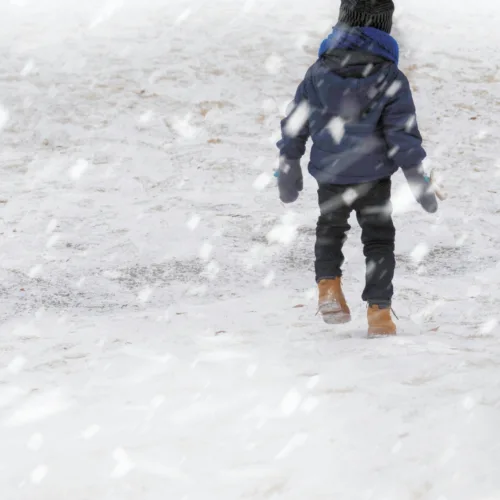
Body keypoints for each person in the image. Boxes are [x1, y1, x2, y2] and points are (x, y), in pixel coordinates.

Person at [276, 0, 438, 336]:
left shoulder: (318, 73)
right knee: (378, 240)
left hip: (330, 173)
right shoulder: (390, 77)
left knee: (329, 229)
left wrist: (288, 161)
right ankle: (379, 311)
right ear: (384, 28)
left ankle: (328, 288)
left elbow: (295, 123)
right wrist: (417, 179)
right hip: (373, 176)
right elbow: (402, 137)